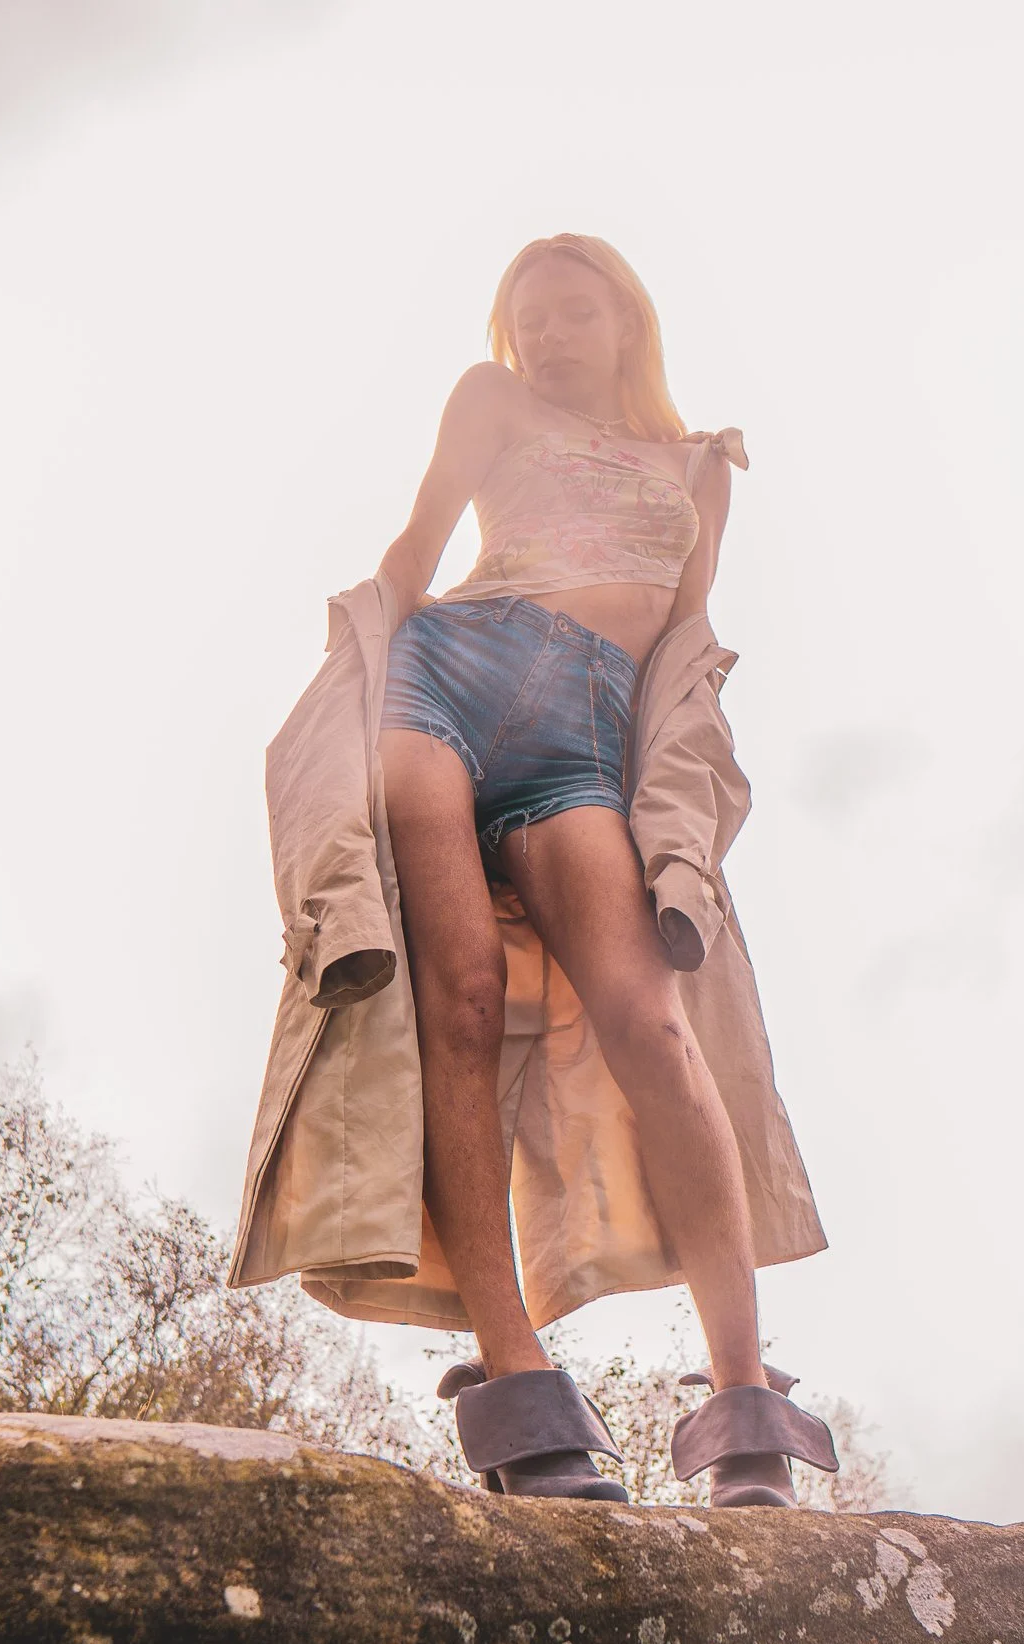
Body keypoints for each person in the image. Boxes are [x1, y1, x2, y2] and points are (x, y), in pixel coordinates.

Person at [232, 234, 835, 1507]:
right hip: (445, 677)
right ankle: (516, 1380)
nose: (550, 336)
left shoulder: (698, 470)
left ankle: (744, 1399)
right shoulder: (486, 401)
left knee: (649, 1021)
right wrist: (346, 680)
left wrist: (672, 814)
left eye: (574, 313)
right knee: (451, 994)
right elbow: (413, 550)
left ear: (628, 321)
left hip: (582, 739)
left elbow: (680, 648)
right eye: (531, 319)